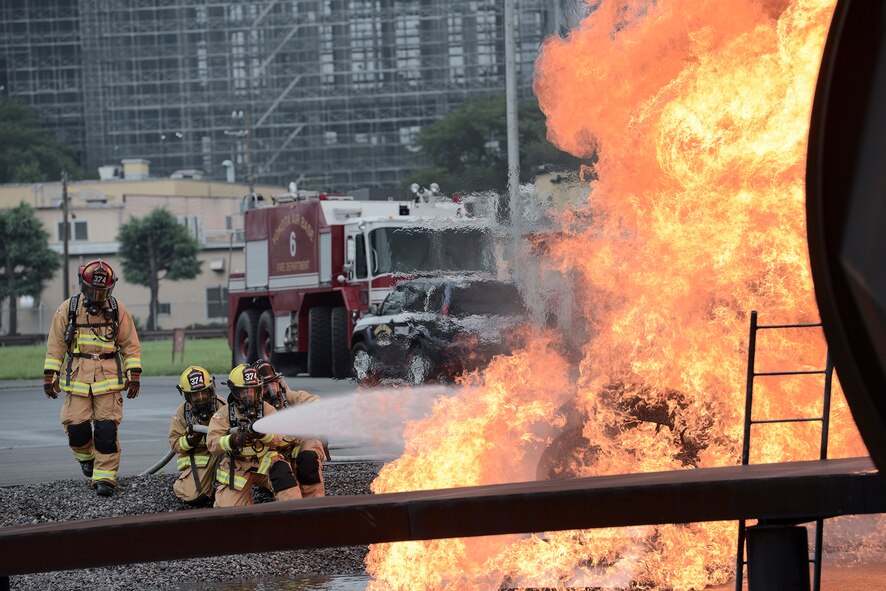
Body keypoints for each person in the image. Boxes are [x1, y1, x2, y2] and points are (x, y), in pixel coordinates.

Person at [42, 259, 141, 497]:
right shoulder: (69, 308)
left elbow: (130, 344)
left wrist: (134, 373)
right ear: (82, 286)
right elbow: (55, 344)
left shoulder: (118, 309)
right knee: (76, 429)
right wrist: (49, 374)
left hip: (108, 380)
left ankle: (105, 478)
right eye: (92, 290)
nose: (97, 296)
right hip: (77, 378)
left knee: (106, 431)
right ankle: (86, 457)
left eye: (102, 291)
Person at [206, 363, 301, 507]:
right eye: (244, 392)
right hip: (238, 466)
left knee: (282, 474)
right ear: (234, 392)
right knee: (227, 512)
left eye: (253, 391)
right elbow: (212, 443)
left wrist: (262, 434)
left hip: (265, 461)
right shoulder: (224, 414)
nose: (249, 396)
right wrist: (233, 440)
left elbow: (278, 438)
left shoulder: (267, 409)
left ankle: (295, 513)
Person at [253, 359, 327, 498]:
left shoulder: (290, 397)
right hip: (273, 460)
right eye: (264, 388)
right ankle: (292, 509)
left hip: (295, 455)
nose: (271, 391)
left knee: (309, 455)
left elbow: (316, 403)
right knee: (281, 472)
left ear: (279, 383)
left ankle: (315, 504)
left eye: (273, 385)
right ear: (256, 390)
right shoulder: (255, 411)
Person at [168, 366, 225, 505]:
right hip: (200, 461)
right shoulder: (182, 413)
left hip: (221, 454)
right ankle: (183, 485)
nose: (200, 398)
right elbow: (175, 444)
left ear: (211, 390)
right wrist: (190, 440)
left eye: (204, 393)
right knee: (193, 497)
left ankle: (225, 489)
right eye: (195, 395)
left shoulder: (222, 406)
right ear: (187, 396)